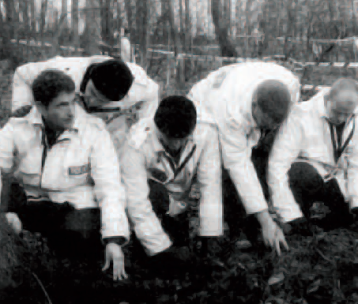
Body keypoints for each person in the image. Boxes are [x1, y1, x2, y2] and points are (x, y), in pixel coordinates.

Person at [1, 70, 130, 281]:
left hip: (72, 206)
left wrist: (113, 239)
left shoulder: (94, 131)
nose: (71, 112)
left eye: (72, 102)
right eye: (62, 105)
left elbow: (110, 186)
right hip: (30, 201)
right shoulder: (18, 126)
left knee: (80, 235)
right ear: (41, 107)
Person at [188, 61, 301, 255]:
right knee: (225, 172)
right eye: (264, 122)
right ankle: (227, 230)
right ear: (255, 105)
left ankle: (255, 224)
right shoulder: (229, 110)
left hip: (243, 86)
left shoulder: (290, 85)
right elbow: (238, 166)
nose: (269, 128)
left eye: (274, 124)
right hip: (207, 106)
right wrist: (267, 220)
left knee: (261, 161)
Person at [120, 96, 222, 275]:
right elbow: (136, 201)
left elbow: (210, 184)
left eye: (183, 138)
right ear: (158, 129)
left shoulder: (207, 132)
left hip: (180, 201)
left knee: (185, 256)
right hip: (153, 199)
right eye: (170, 138)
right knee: (156, 259)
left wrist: (210, 235)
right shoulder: (136, 142)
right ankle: (145, 244)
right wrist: (160, 249)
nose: (176, 144)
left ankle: (176, 229)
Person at [268, 78, 358, 235]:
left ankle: (322, 225)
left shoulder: (357, 118)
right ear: (328, 99)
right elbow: (278, 165)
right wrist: (291, 215)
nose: (341, 119)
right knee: (301, 172)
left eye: (347, 114)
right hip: (304, 178)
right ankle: (295, 220)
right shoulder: (300, 115)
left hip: (332, 180)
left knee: (354, 221)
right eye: (337, 112)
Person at [11, 56, 159, 152]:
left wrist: (138, 135)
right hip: (68, 114)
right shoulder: (64, 70)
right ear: (89, 78)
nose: (93, 101)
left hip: (110, 123)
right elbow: (22, 74)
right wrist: (22, 107)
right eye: (93, 93)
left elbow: (152, 96)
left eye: (102, 100)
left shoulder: (140, 88)